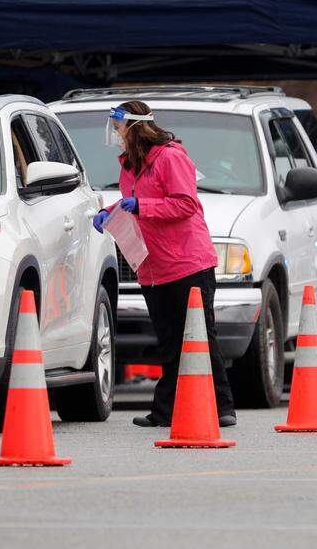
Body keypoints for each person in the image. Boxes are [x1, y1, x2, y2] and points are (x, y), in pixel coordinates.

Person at [91, 101, 236, 428]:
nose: (116, 136)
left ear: (134, 127)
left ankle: (223, 406)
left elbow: (185, 204)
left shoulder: (170, 157)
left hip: (187, 263)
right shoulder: (129, 164)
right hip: (153, 266)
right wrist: (110, 210)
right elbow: (135, 198)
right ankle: (166, 410)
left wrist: (142, 206)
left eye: (118, 129)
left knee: (201, 335)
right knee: (169, 340)